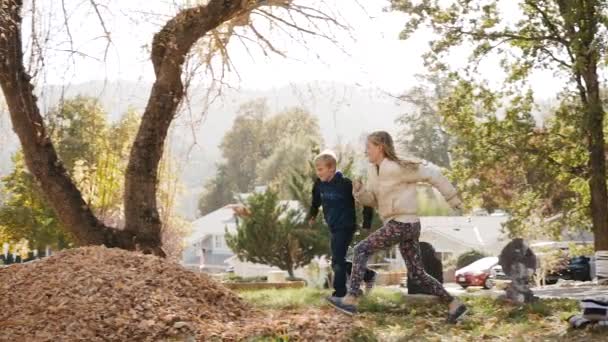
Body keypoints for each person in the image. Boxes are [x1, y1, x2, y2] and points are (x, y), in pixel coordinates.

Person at [327, 131, 468, 323]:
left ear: (380, 147)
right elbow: (374, 200)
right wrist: (359, 193)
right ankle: (454, 304)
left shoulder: (398, 167)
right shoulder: (373, 171)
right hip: (402, 225)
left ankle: (351, 299)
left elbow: (433, 175)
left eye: (369, 147)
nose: (366, 151)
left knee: (361, 250)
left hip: (402, 222)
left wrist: (453, 199)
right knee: (418, 274)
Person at [308, 149, 377, 302]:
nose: (318, 173)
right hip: (333, 225)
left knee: (337, 260)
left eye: (320, 169)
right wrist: (312, 215)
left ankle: (340, 293)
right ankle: (367, 275)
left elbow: (365, 201)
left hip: (346, 225)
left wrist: (366, 222)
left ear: (331, 168)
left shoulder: (346, 184)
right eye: (317, 169)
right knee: (338, 260)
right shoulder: (319, 184)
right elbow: (315, 202)